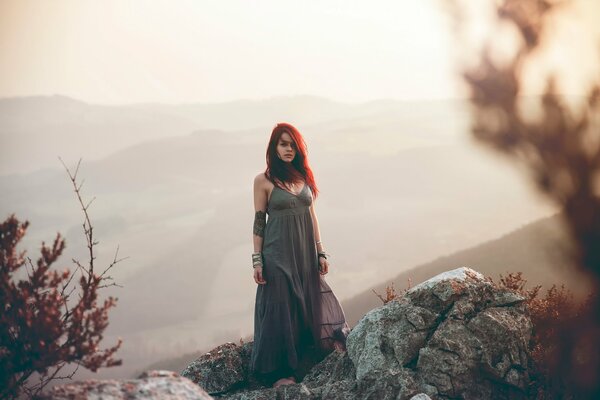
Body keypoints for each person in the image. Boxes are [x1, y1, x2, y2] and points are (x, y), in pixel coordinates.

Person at [250, 122, 351, 388]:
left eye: (293, 145)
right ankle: (279, 372)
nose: (288, 149)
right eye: (283, 144)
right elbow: (259, 222)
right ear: (274, 147)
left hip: (304, 253)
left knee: (305, 305)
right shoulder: (263, 181)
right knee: (281, 308)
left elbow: (312, 215)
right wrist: (257, 260)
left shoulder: (302, 177)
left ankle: (302, 365)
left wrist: (320, 251)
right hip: (277, 254)